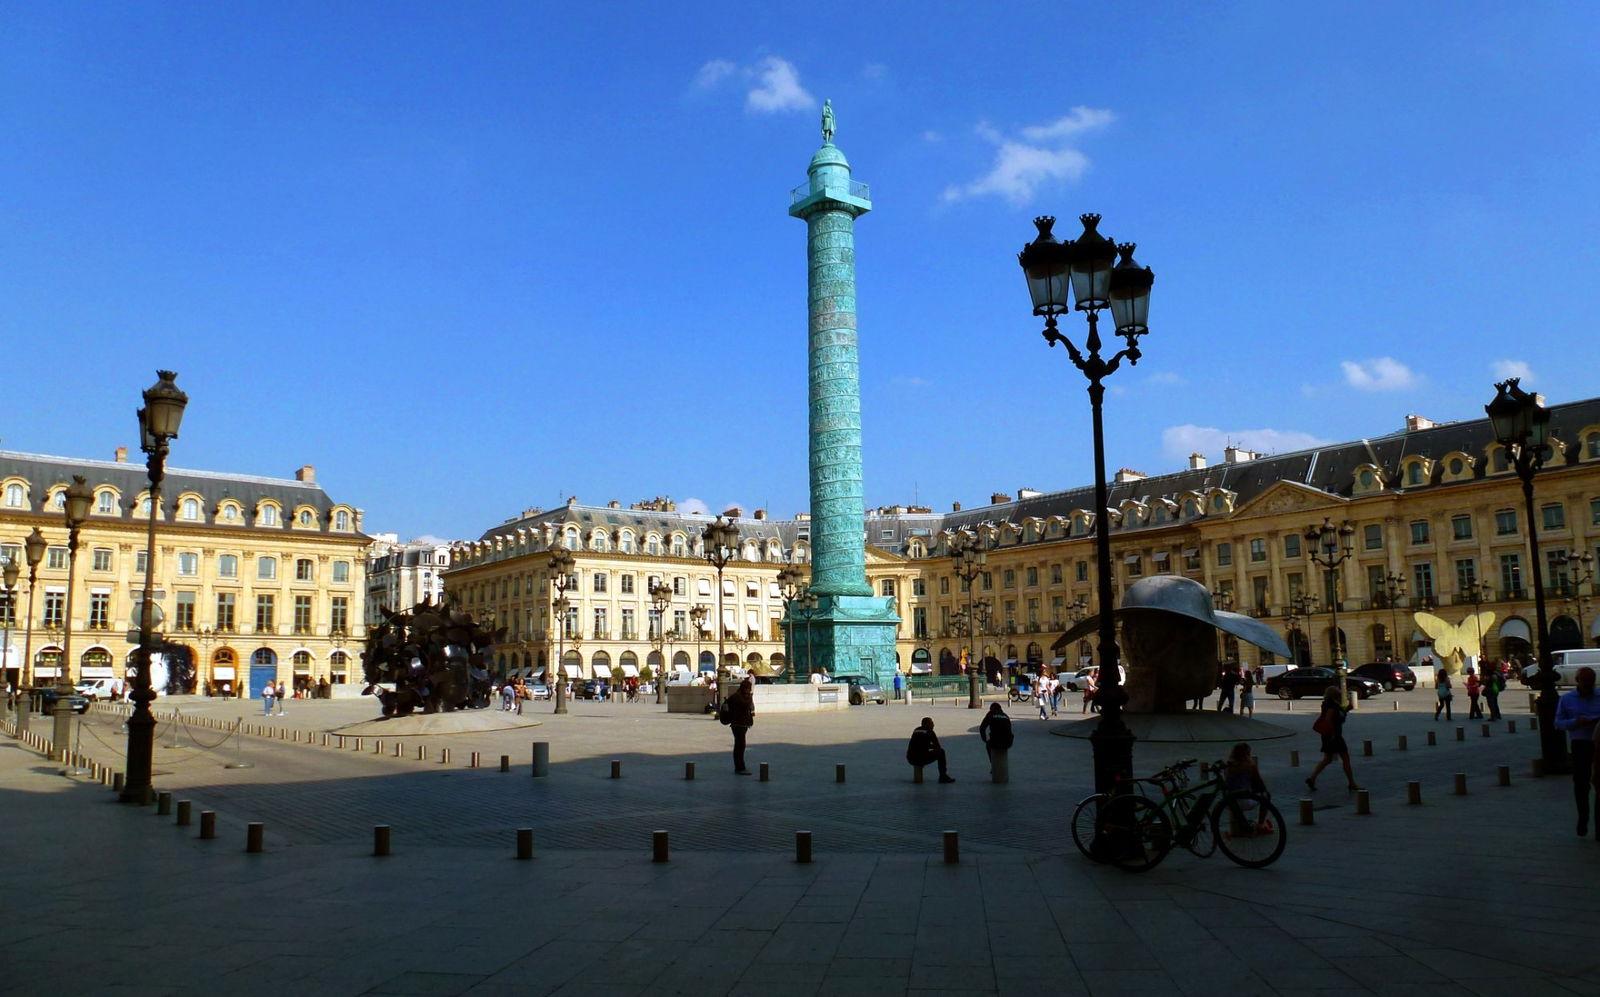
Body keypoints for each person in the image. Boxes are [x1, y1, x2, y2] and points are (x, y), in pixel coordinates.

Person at [1554, 666, 1600, 838]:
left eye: (1591, 682)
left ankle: (1599, 827)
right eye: (1585, 682)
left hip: (1599, 744)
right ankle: (1583, 818)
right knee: (1581, 784)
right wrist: (1575, 722)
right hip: (1580, 743)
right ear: (1577, 680)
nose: (1588, 686)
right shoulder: (1567, 699)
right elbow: (1558, 722)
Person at [1306, 686, 1360, 792]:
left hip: (1328, 736)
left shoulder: (1329, 704)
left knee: (1328, 759)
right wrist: (1333, 734)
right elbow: (1329, 719)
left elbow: (1337, 716)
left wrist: (1347, 709)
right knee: (1345, 758)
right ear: (1335, 695)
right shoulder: (1331, 705)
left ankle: (1312, 778)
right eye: (1339, 693)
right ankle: (1351, 783)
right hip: (1334, 736)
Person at [906, 716, 954, 783]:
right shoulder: (930, 732)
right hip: (921, 758)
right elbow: (938, 747)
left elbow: (918, 744)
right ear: (927, 724)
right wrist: (931, 746)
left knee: (922, 753)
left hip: (911, 758)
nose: (933, 725)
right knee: (941, 752)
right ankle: (943, 776)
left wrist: (928, 746)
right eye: (931, 723)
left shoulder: (916, 730)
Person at [725, 677, 755, 774]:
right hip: (737, 724)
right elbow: (745, 705)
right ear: (744, 688)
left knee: (740, 745)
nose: (749, 690)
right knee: (740, 745)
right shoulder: (738, 697)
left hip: (743, 724)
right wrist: (750, 697)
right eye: (748, 688)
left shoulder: (741, 696)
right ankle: (739, 767)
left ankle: (740, 766)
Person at [978, 703, 1013, 782]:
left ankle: (993, 764)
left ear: (992, 709)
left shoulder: (991, 714)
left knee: (988, 745)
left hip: (996, 742)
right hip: (1008, 742)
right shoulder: (1005, 716)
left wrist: (985, 740)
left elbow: (982, 728)